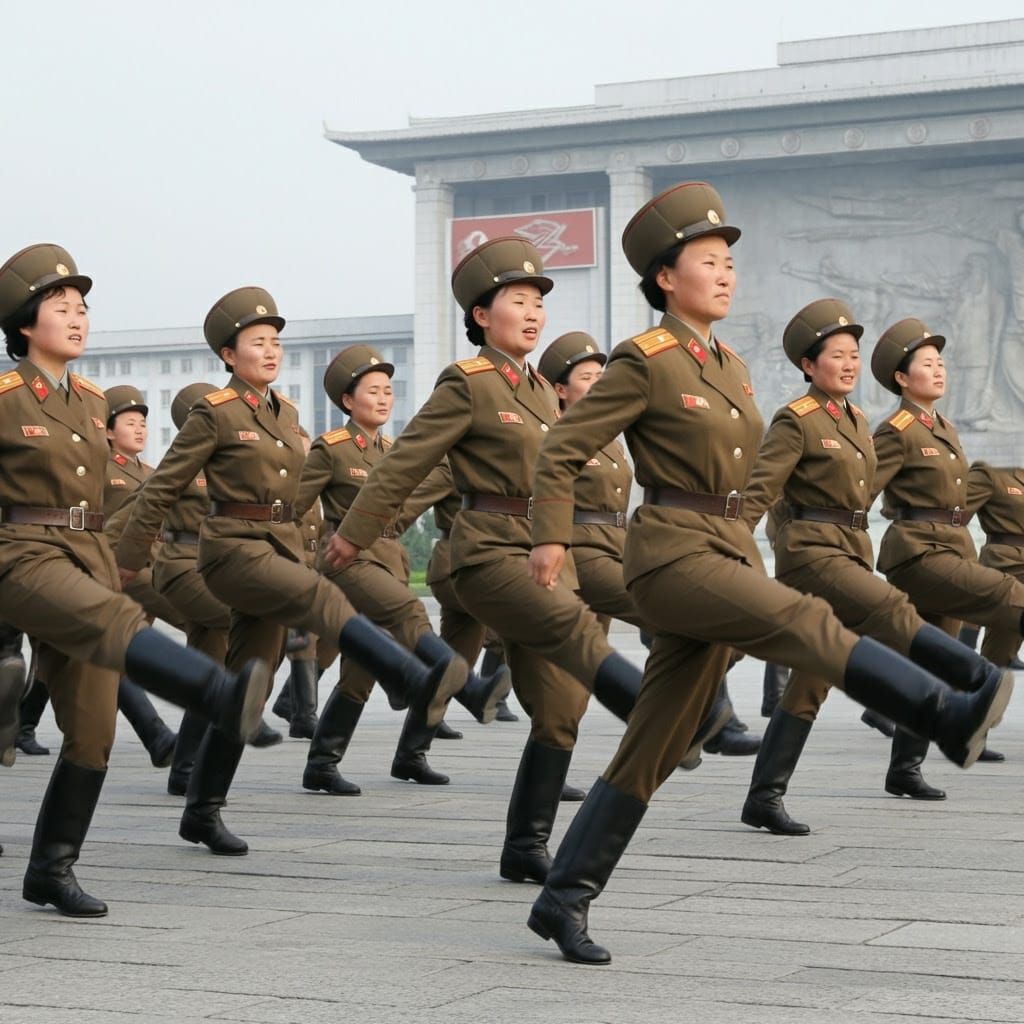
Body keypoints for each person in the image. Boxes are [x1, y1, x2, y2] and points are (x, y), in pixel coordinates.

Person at [521, 182, 1012, 964]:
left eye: (728, 263)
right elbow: (562, 449)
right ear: (664, 279)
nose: (724, 274)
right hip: (672, 553)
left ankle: (564, 895)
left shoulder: (732, 366)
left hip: (721, 549)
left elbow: (751, 484)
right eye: (707, 262)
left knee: (653, 743)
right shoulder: (642, 362)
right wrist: (549, 538)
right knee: (806, 621)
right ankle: (942, 712)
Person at [326, 238, 691, 888]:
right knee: (576, 635)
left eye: (536, 303)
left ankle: (527, 846)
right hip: (489, 550)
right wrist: (356, 534)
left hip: (548, 555)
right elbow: (407, 459)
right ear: (480, 317)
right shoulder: (467, 385)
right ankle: (671, 715)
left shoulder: (544, 396)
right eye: (516, 302)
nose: (531, 314)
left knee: (559, 712)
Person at [114, 286, 462, 855]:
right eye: (258, 343)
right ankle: (409, 676)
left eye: (276, 342)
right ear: (229, 355)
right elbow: (162, 487)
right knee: (322, 601)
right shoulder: (215, 413)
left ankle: (202, 810)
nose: (271, 352)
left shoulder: (286, 414)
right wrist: (128, 562)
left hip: (273, 549)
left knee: (253, 677)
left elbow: (295, 502)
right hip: (230, 549)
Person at [0, 244, 270, 916]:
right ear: (25, 323)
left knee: (94, 730)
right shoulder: (3, 399)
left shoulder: (92, 401)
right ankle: (217, 693)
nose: (78, 317)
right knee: (110, 622)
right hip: (21, 550)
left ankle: (51, 869)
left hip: (85, 550)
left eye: (83, 307)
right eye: (61, 308)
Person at [737, 298, 1013, 834]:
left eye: (852, 355)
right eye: (835, 355)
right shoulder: (797, 420)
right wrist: (775, 536)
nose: (846, 363)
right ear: (808, 365)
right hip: (814, 554)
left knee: (812, 681)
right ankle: (973, 680)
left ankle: (764, 797)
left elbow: (863, 494)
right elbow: (762, 491)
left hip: (849, 548)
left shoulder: (856, 420)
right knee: (890, 606)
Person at [294, 344, 509, 795]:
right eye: (372, 390)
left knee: (361, 669)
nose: (384, 398)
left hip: (387, 560)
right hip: (348, 560)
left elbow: (407, 506)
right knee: (409, 612)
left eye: (389, 390)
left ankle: (331, 762)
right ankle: (470, 691)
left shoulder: (396, 451)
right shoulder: (330, 449)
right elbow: (295, 507)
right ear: (347, 401)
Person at [865, 317, 1024, 793]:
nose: (939, 371)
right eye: (927, 364)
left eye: (941, 363)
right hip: (919, 552)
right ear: (901, 376)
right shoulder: (896, 430)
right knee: (1013, 597)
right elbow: (860, 489)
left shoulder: (944, 427)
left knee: (930, 666)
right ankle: (971, 714)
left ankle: (904, 771)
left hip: (949, 547)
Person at [149, 382, 233, 795]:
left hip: (216, 567)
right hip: (183, 564)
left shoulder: (229, 465)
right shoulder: (182, 462)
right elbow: (140, 506)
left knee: (210, 671)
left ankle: (184, 769)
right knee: (239, 621)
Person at [101, 384, 182, 766]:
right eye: (130, 422)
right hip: (114, 574)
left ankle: (26, 719)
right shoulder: (98, 469)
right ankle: (157, 736)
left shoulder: (152, 472)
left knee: (108, 658)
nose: (139, 430)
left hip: (148, 568)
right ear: (108, 430)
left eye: (143, 424)